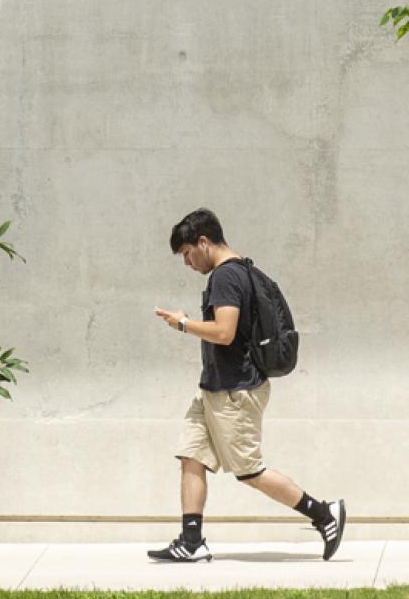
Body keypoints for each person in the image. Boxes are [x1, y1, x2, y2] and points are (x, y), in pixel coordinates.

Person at [146, 208, 346, 562]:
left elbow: (224, 332)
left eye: (188, 254)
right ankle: (191, 542)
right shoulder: (244, 270)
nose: (188, 263)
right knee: (191, 456)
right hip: (214, 387)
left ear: (203, 242)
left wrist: (183, 323)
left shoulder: (226, 277)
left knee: (250, 471)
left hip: (235, 391)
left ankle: (323, 513)